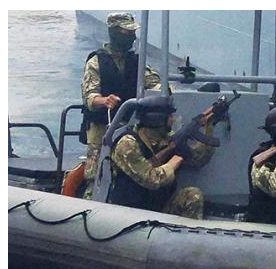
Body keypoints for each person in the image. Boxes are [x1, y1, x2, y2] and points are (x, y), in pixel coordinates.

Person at [80, 12, 162, 199]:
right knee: (96, 175)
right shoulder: (96, 62)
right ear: (115, 32)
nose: (132, 37)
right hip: (102, 128)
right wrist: (104, 100)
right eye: (127, 32)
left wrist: (167, 90)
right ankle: (90, 204)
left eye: (133, 32)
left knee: (133, 170)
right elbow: (90, 97)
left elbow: (155, 83)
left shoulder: (136, 62)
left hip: (130, 127)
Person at [107, 96, 216, 219]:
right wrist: (176, 159)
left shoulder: (167, 139)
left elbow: (198, 160)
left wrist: (209, 127)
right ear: (157, 119)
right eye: (170, 117)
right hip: (129, 213)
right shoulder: (128, 144)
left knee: (192, 196)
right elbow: (152, 180)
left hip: (159, 207)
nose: (173, 120)